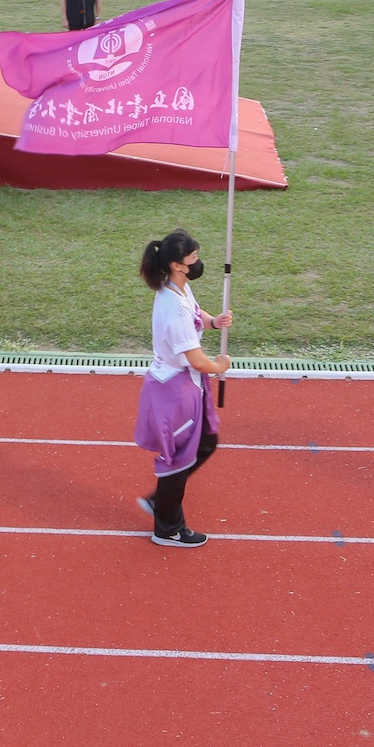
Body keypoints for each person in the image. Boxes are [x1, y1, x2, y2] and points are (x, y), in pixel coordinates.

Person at [134, 229, 231, 548]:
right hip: (175, 390)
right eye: (193, 258)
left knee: (205, 443)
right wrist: (219, 366)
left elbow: (195, 313)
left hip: (186, 385)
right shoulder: (172, 307)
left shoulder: (178, 288)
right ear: (177, 265)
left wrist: (214, 321)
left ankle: (160, 501)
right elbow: (196, 360)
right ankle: (168, 528)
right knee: (181, 457)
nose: (198, 262)